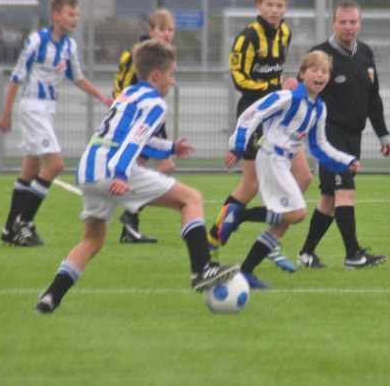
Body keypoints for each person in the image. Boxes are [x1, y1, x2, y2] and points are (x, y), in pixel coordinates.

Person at [33, 38, 239, 313]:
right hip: (113, 167)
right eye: (172, 75)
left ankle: (50, 297)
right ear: (157, 75)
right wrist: (120, 174)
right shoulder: (155, 103)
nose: (173, 81)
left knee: (93, 240)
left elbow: (133, 136)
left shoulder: (128, 94)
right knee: (191, 199)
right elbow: (133, 140)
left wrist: (171, 148)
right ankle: (202, 269)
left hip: (88, 167)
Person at [220, 51, 360, 289]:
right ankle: (237, 215)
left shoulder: (319, 108)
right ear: (302, 73)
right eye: (314, 70)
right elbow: (251, 115)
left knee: (281, 222)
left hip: (283, 162)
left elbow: (320, 145)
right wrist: (237, 145)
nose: (320, 75)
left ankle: (246, 272)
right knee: (297, 214)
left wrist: (346, 160)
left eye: (325, 71)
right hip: (271, 158)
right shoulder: (287, 97)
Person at [208, 0, 311, 273]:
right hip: (254, 114)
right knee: (250, 185)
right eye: (270, 4)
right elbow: (239, 79)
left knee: (303, 177)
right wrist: (276, 86)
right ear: (258, 5)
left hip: (279, 114)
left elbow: (277, 77)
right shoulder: (248, 36)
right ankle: (213, 241)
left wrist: (283, 88)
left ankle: (272, 238)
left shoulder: (285, 33)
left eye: (280, 5)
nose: (275, 10)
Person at [0, 0, 113, 247]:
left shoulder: (69, 47)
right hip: (32, 108)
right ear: (55, 15)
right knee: (56, 164)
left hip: (47, 109)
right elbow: (16, 76)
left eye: (77, 16)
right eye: (71, 15)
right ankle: (24, 224)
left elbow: (77, 77)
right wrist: (6, 113)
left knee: (30, 170)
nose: (75, 19)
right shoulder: (37, 42)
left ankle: (9, 228)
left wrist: (103, 98)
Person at [296, 0, 390, 270]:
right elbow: (300, 92)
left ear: (359, 24)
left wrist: (383, 134)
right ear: (333, 23)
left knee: (329, 199)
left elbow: (373, 98)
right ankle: (353, 254)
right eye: (343, 22)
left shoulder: (366, 54)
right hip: (328, 135)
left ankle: (306, 254)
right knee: (345, 191)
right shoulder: (320, 55)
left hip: (354, 136)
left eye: (353, 22)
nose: (348, 27)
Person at [112, 8, 177, 244]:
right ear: (151, 31)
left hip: (152, 116)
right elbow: (120, 86)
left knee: (147, 166)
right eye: (162, 29)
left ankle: (130, 224)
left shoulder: (163, 55)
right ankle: (130, 212)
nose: (167, 34)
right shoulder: (137, 55)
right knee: (162, 165)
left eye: (170, 30)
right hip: (139, 117)